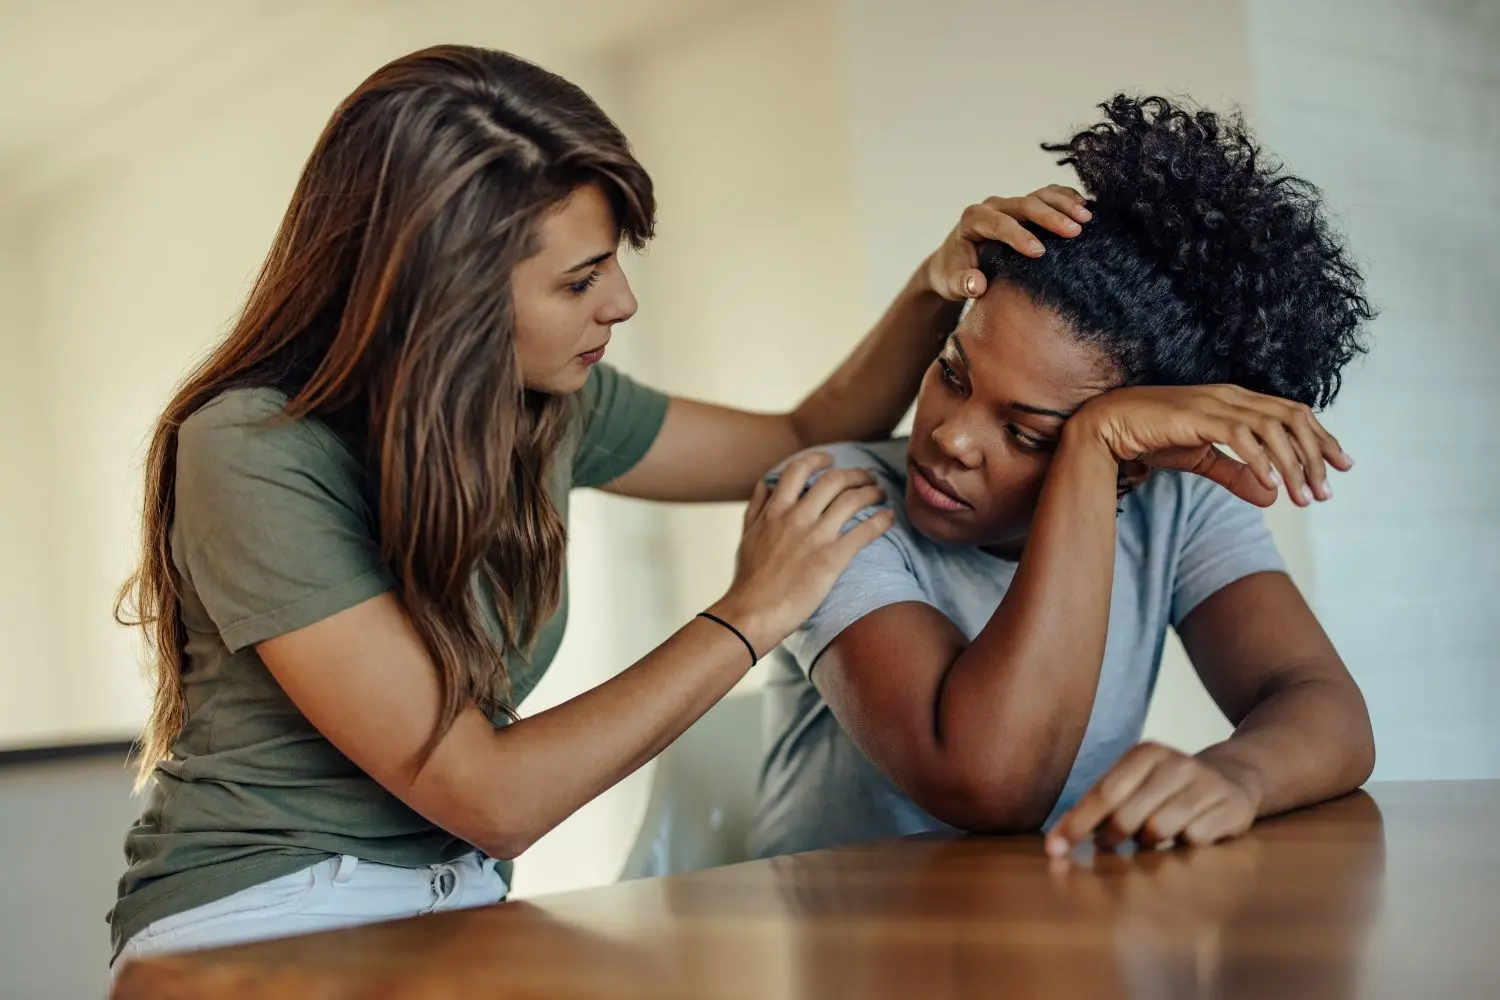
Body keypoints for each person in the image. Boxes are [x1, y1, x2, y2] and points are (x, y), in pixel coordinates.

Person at [106, 44, 1086, 968]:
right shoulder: (254, 450)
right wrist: (752, 611)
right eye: (579, 280)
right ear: (444, 299)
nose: (620, 302)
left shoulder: (541, 405)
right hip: (267, 912)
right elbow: (490, 797)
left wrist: (937, 287)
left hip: (462, 906)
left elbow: (802, 433)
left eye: (613, 262)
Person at [748, 94, 1378, 862]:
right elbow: (988, 782)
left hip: (1059, 918)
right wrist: (1088, 442)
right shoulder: (828, 500)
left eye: (1028, 433)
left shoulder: (1174, 502)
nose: (950, 438)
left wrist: (1239, 775)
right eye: (952, 374)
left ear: (1139, 463)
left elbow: (1324, 705)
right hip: (852, 930)